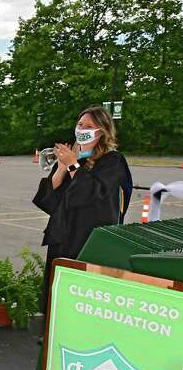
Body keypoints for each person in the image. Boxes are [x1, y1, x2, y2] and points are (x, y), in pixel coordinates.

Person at [32, 105, 133, 319]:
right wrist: (61, 167)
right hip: (63, 236)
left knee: (81, 292)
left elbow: (88, 194)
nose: (82, 129)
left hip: (89, 239)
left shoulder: (113, 161)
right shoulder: (75, 158)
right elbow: (51, 201)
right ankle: (51, 330)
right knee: (57, 290)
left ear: (102, 130)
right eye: (80, 124)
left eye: (89, 125)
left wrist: (71, 166)